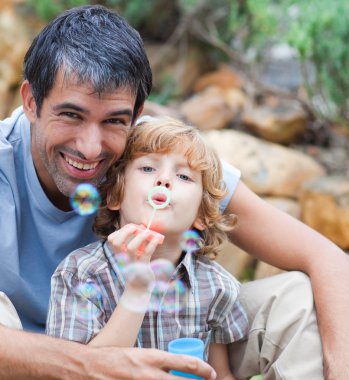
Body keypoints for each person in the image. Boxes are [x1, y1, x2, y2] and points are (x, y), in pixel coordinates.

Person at [0, 3, 348, 380]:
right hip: (29, 359)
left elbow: (326, 258)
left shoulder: (154, 156)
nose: (90, 147)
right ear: (31, 101)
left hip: (168, 332)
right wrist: (95, 364)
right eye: (71, 114)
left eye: (114, 120)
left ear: (136, 114)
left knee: (298, 299)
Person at [47, 116, 249, 380]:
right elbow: (75, 373)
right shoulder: (80, 274)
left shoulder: (216, 287)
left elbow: (220, 374)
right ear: (115, 195)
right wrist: (137, 289)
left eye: (183, 176)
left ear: (201, 215)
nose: (164, 180)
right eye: (147, 169)